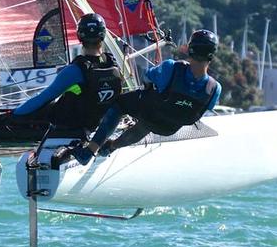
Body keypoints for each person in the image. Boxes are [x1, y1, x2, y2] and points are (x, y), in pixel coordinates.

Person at [69, 28, 222, 165]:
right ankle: (110, 147)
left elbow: (147, 79)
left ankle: (89, 150)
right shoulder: (215, 88)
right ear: (212, 55)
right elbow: (204, 108)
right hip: (168, 128)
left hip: (152, 112)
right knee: (146, 125)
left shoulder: (171, 67)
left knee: (120, 104)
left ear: (190, 49)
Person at [3, 13, 124, 139]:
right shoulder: (113, 66)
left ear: (79, 36)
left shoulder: (75, 70)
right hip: (96, 126)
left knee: (47, 106)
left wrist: (12, 115)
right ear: (103, 35)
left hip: (70, 127)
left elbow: (43, 98)